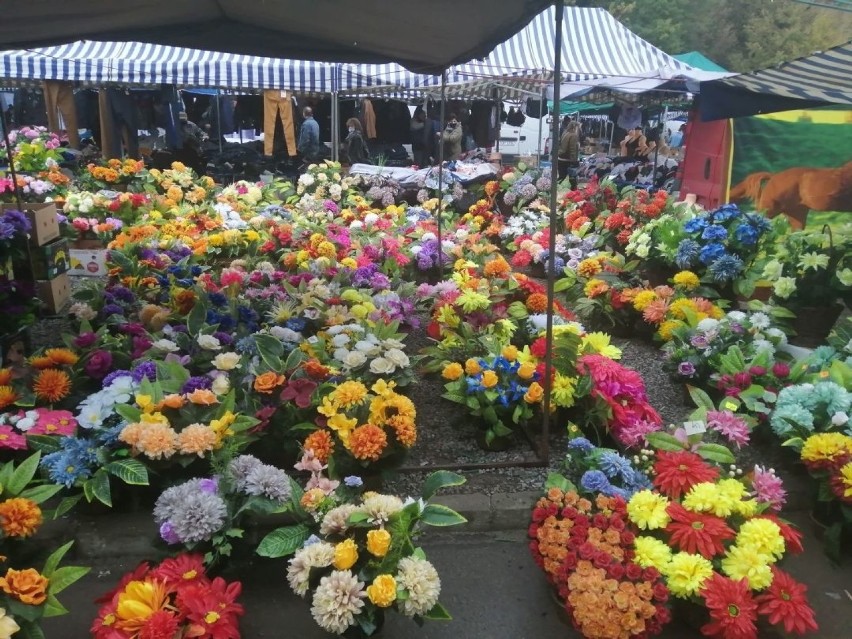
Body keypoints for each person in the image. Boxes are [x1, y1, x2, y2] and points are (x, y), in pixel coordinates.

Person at [557, 120, 580, 188]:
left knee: (561, 177)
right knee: (572, 179)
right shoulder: (573, 135)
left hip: (561, 158)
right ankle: (572, 193)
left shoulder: (565, 132)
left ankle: (557, 191)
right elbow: (572, 149)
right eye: (578, 127)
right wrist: (574, 161)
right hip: (568, 160)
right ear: (574, 127)